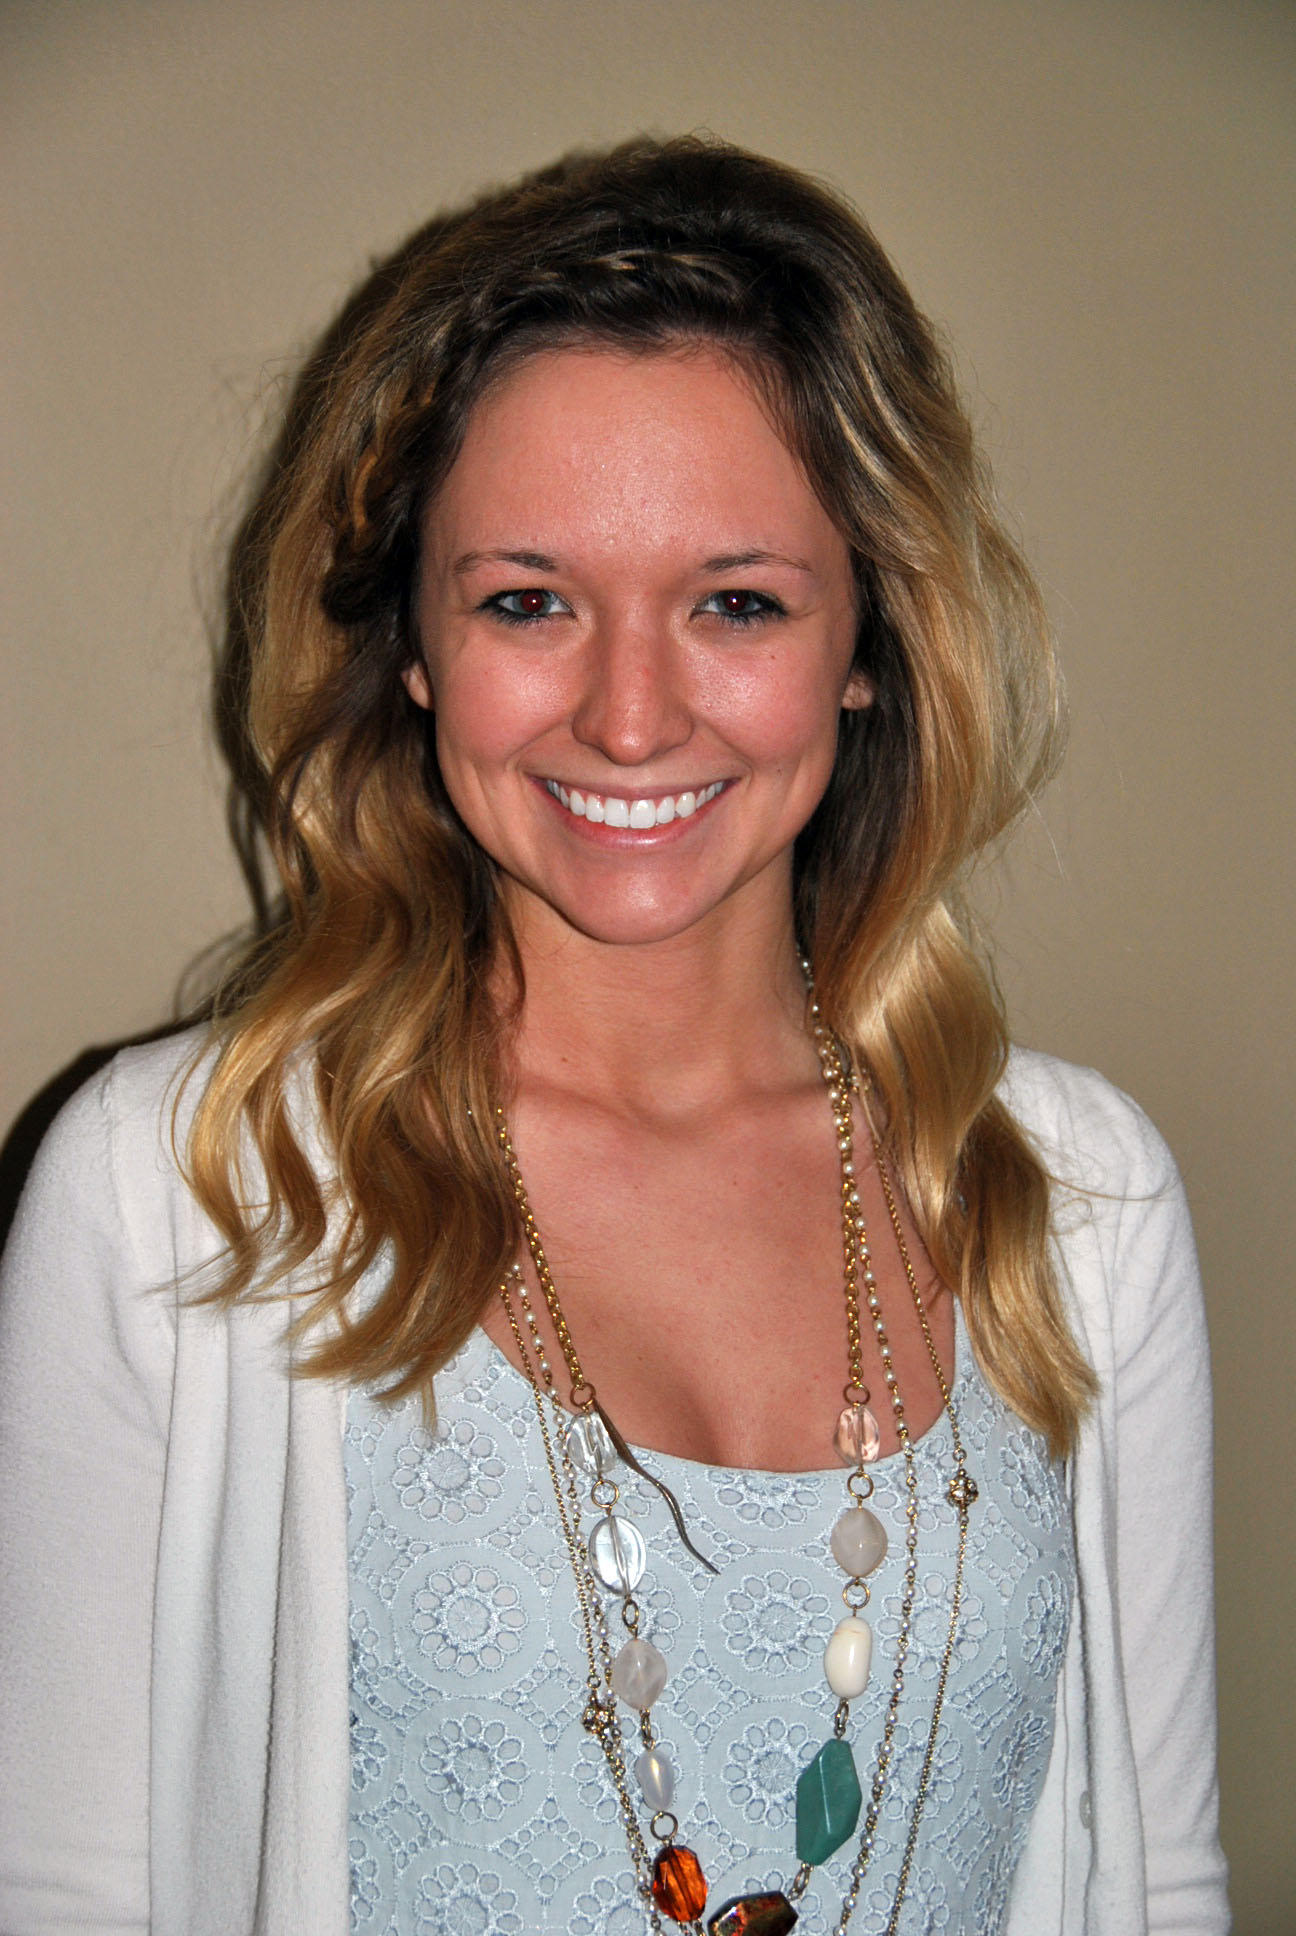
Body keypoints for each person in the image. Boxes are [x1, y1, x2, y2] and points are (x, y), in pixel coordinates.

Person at [0, 137, 1227, 1936]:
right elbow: (56, 1886)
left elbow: (1159, 1878)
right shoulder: (182, 1190)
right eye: (528, 601)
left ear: (866, 642)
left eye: (737, 602)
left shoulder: (1082, 1205)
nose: (630, 716)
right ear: (414, 645)